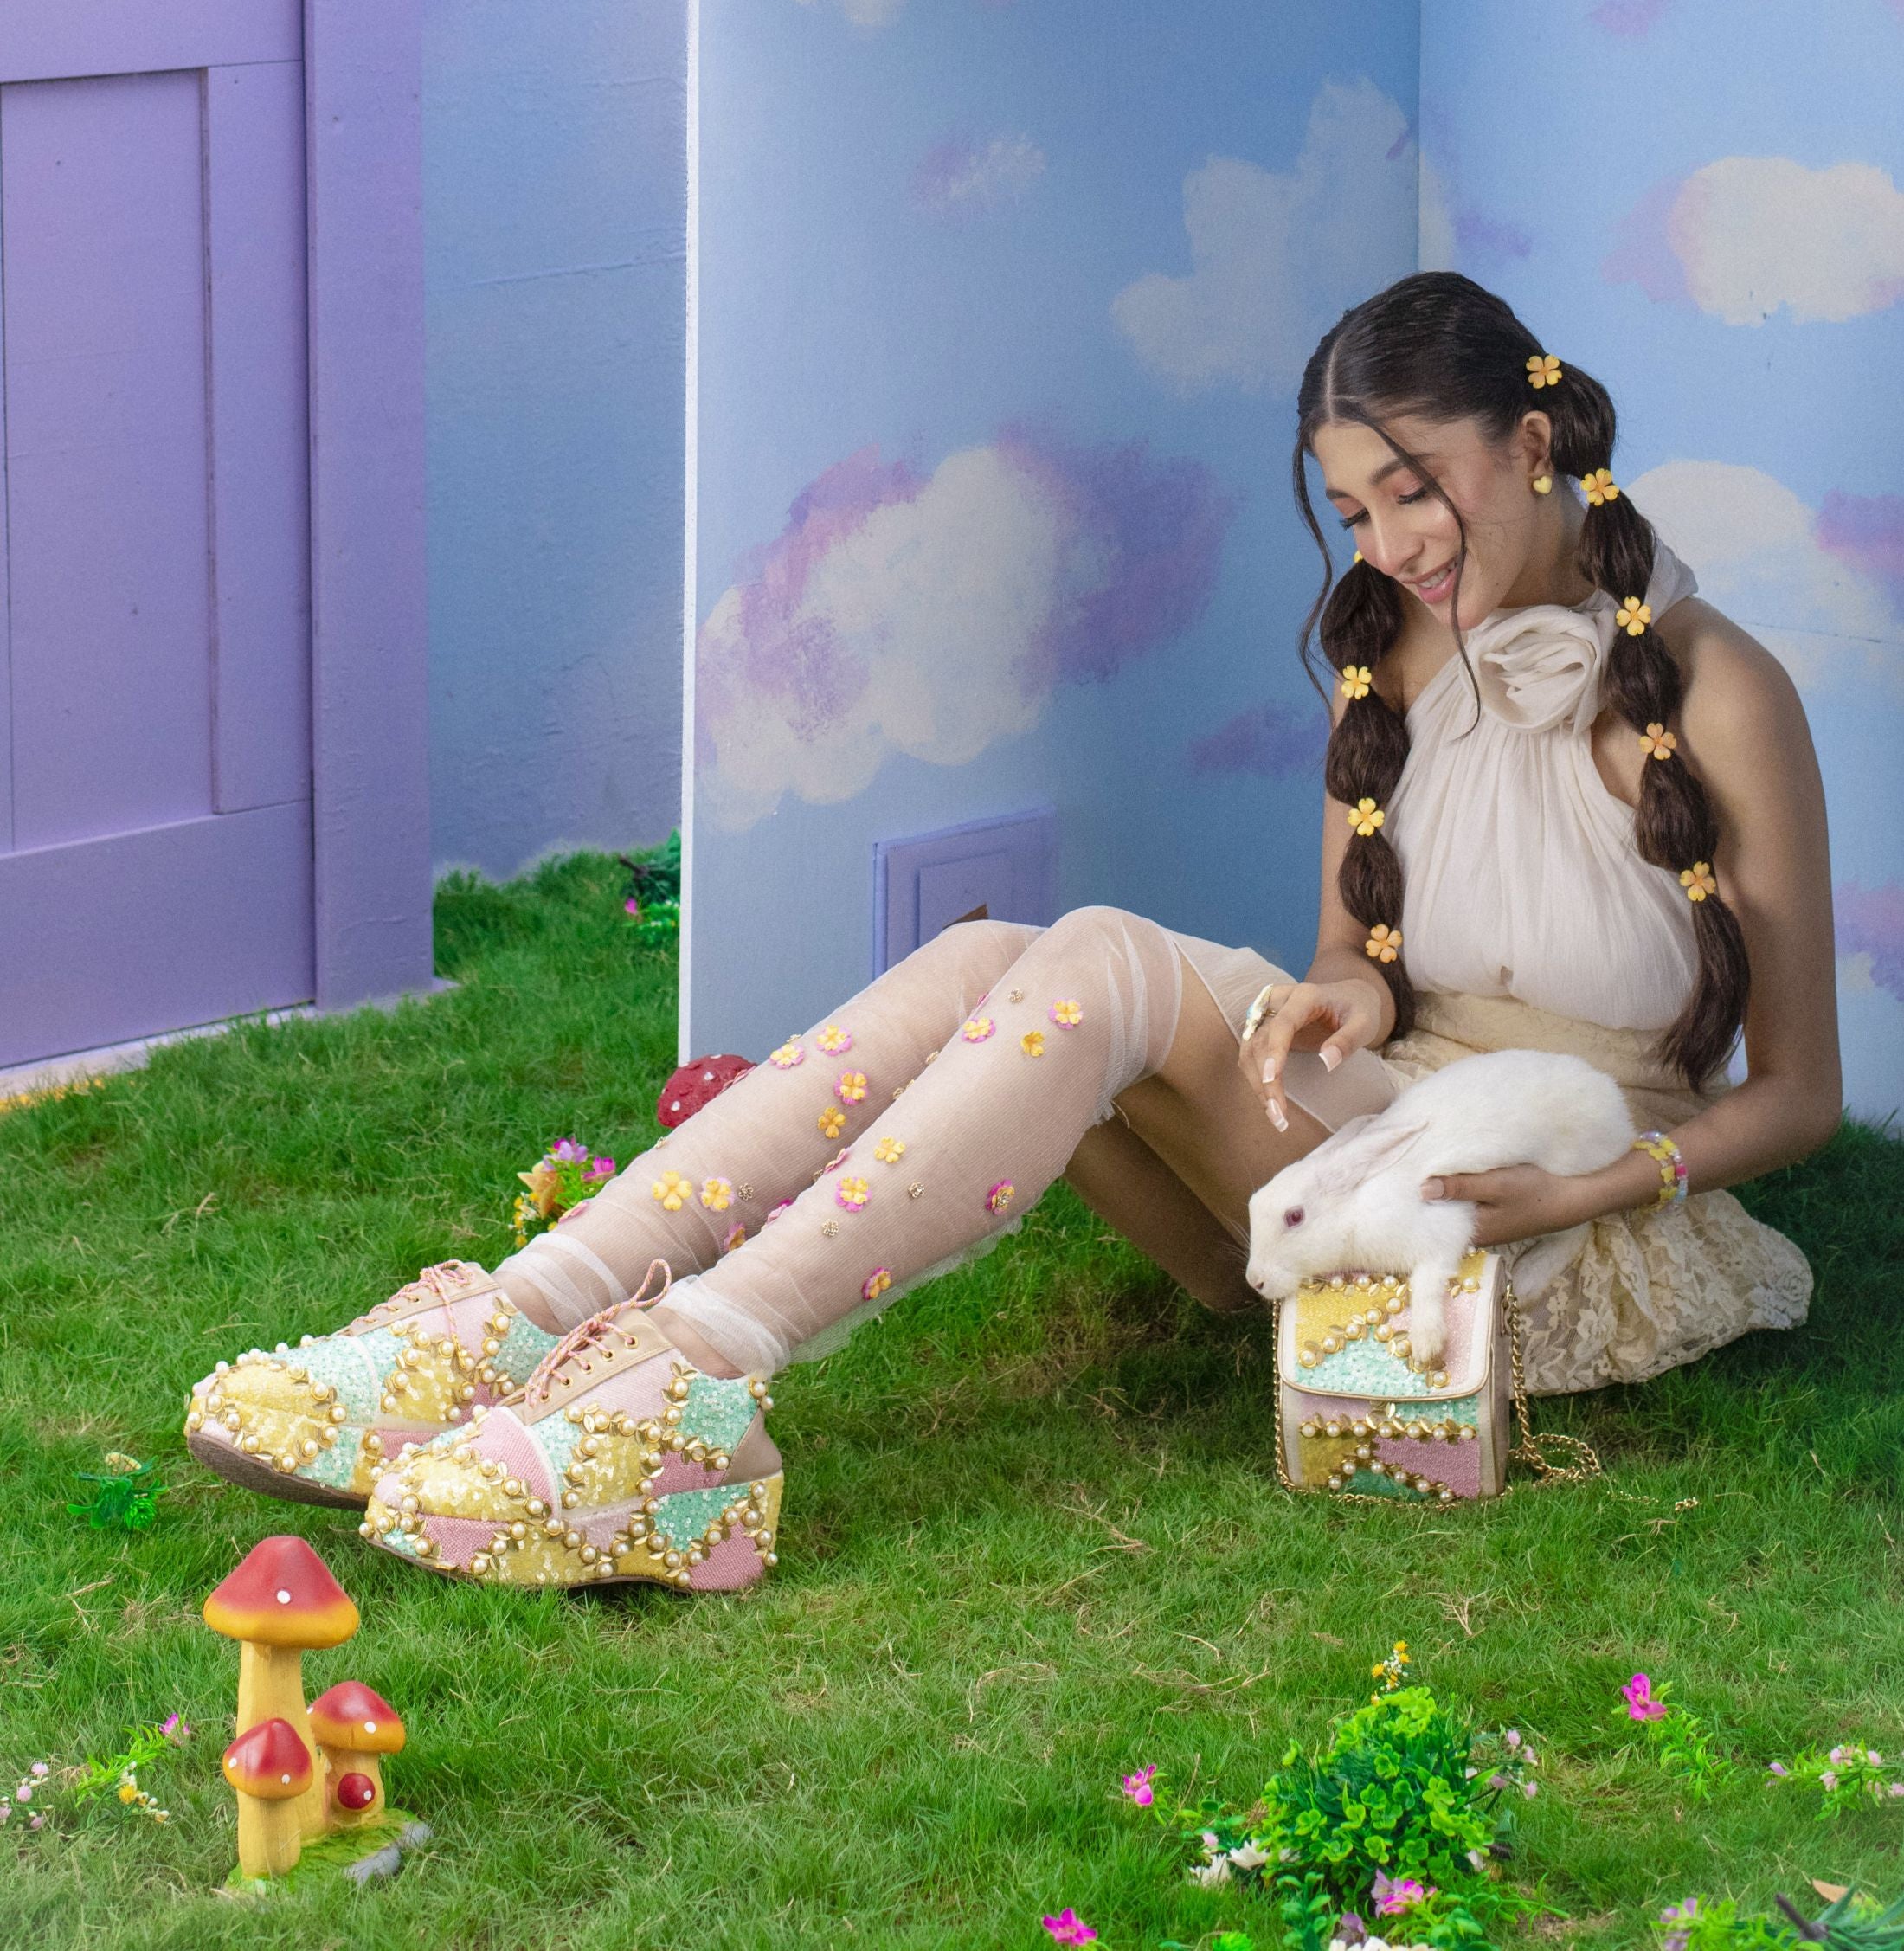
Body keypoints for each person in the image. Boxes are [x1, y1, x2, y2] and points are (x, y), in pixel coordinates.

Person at [184, 273, 1833, 1593]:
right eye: (1353, 511)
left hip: (1546, 1214)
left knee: (1099, 953)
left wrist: (1592, 1186)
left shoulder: (1723, 694)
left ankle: (691, 1379)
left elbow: (1800, 1094)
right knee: (995, 962)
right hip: (1374, 1142)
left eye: (1416, 490)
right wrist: (1340, 1000)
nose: (1390, 546)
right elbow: (1362, 964)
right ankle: (532, 1315)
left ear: (1533, 442)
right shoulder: (1390, 657)